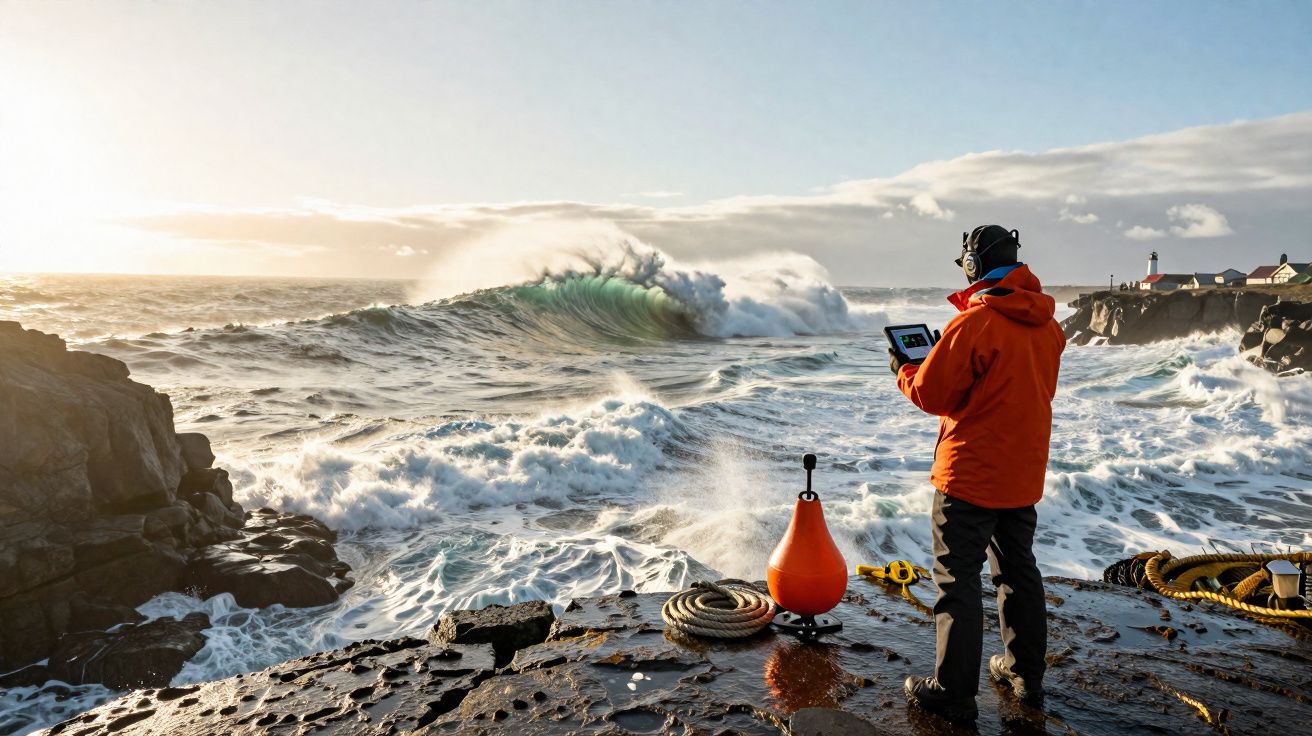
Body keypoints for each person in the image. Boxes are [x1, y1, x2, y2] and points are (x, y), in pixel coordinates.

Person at [888, 225, 1065, 722]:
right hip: (1021, 473)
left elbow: (932, 394)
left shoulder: (974, 324)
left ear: (972, 265)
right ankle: (1025, 674)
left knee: (957, 582)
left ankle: (952, 691)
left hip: (968, 476)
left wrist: (904, 367)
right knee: (1018, 572)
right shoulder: (1049, 326)